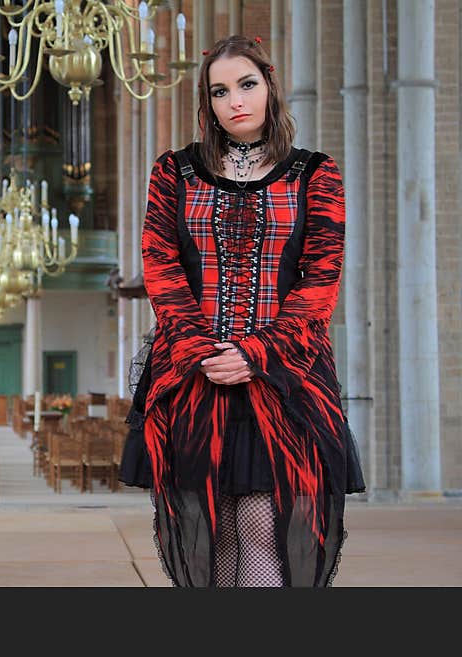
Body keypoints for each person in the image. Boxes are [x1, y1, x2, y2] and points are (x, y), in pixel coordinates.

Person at [139, 35, 365, 587]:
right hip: (196, 379)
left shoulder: (316, 173)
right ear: (208, 102)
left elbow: (321, 280)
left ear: (269, 86)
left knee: (265, 534)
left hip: (283, 382)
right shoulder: (174, 172)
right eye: (220, 90)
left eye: (247, 84)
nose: (235, 100)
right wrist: (203, 352)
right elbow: (161, 268)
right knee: (210, 543)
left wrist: (254, 354)